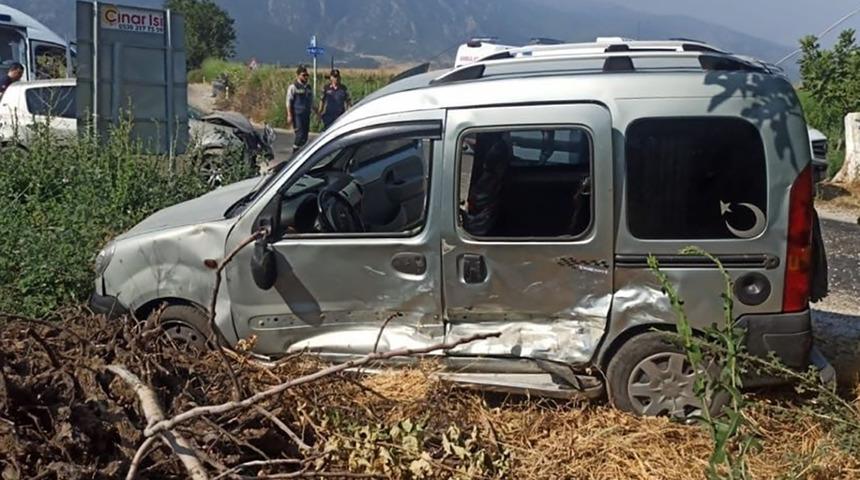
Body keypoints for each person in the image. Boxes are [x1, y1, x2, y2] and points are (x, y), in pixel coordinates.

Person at [286, 65, 313, 152]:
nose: (305, 77)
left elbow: (311, 101)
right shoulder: (293, 87)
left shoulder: (308, 87)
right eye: (303, 75)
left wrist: (318, 112)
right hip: (297, 115)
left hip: (306, 114)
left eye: (307, 75)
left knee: (305, 137)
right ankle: (295, 153)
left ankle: (301, 152)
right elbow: (288, 102)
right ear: (298, 75)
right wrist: (289, 115)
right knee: (299, 135)